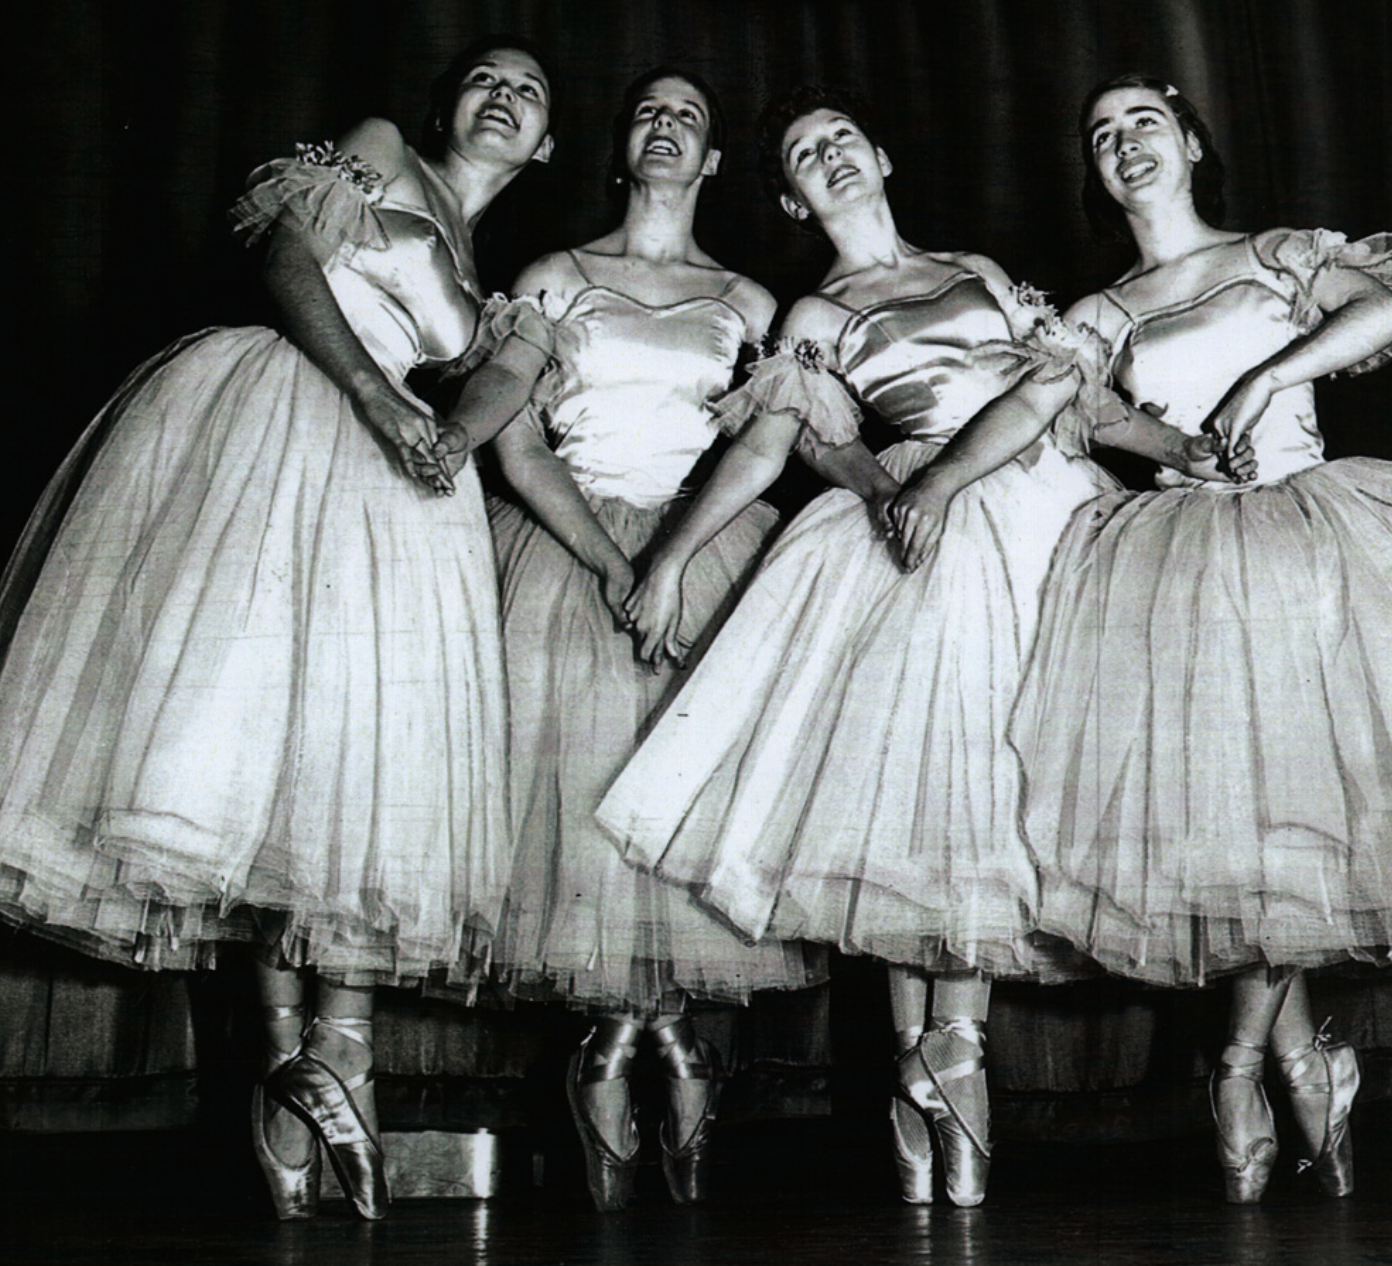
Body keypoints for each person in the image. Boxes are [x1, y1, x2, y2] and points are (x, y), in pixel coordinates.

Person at [595, 84, 1244, 1207]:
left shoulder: (984, 272)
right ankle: (926, 1059)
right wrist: (667, 557)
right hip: (917, 519)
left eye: (843, 137)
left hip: (1043, 508)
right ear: (793, 201)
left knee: (998, 776)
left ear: (881, 156)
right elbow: (763, 452)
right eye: (805, 154)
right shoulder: (810, 318)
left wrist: (1181, 447)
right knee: (915, 785)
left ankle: (954, 1054)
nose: (829, 156)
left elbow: (1071, 401)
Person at [0, 36, 556, 1220]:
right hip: (296, 414)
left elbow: (507, 380)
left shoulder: (491, 273)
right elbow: (288, 250)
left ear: (550, 143)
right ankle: (296, 1063)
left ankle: (327, 1062)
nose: (503, 96)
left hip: (401, 484)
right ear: (448, 100)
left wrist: (455, 425)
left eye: (530, 91)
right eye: (486, 77)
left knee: (349, 763)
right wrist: (367, 392)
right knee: (254, 741)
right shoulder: (379, 151)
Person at [996, 74, 1392, 1204]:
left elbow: (1381, 308)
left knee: (1305, 809)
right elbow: (1067, 410)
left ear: (1194, 141)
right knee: (1254, 823)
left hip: (1312, 536)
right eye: (1103, 133)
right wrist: (1172, 448)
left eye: (1145, 123)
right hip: (1181, 562)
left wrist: (1271, 372)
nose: (1124, 143)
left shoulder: (1274, 251)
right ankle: (1299, 1051)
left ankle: (1236, 1059)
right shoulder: (1100, 310)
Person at [437, 68, 814, 1212]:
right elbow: (515, 439)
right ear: (621, 150)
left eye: (688, 117)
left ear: (708, 165)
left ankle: (674, 1035)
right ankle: (622, 1036)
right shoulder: (557, 277)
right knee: (580, 782)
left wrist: (670, 563)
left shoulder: (751, 300)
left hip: (702, 550)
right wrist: (612, 564)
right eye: (648, 112)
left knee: (681, 788)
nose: (665, 126)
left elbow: (765, 447)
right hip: (568, 546)